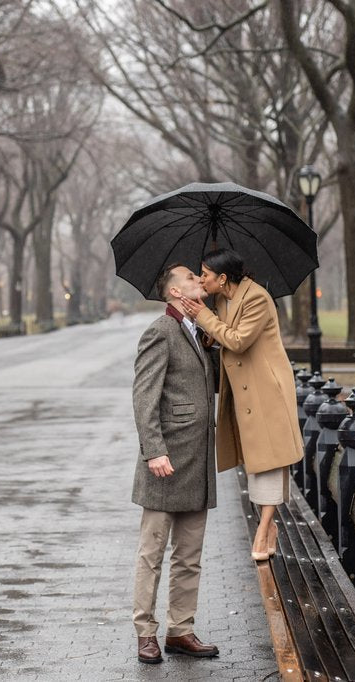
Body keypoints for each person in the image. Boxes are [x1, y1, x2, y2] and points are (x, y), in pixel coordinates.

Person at [178, 248, 303, 561]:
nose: (201, 279)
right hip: (243, 389)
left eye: (204, 274)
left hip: (267, 387)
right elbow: (219, 336)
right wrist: (204, 320)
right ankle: (267, 524)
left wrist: (203, 316)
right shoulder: (223, 298)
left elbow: (238, 340)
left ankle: (264, 527)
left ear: (222, 278)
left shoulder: (257, 298)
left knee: (271, 457)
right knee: (256, 459)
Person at [130, 263, 219, 665]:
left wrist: (212, 343)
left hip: (197, 460)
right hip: (166, 462)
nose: (199, 281)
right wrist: (154, 450)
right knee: (152, 552)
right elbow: (144, 396)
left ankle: (180, 630)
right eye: (190, 278)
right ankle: (145, 632)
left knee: (189, 554)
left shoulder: (199, 332)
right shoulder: (159, 332)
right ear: (172, 292)